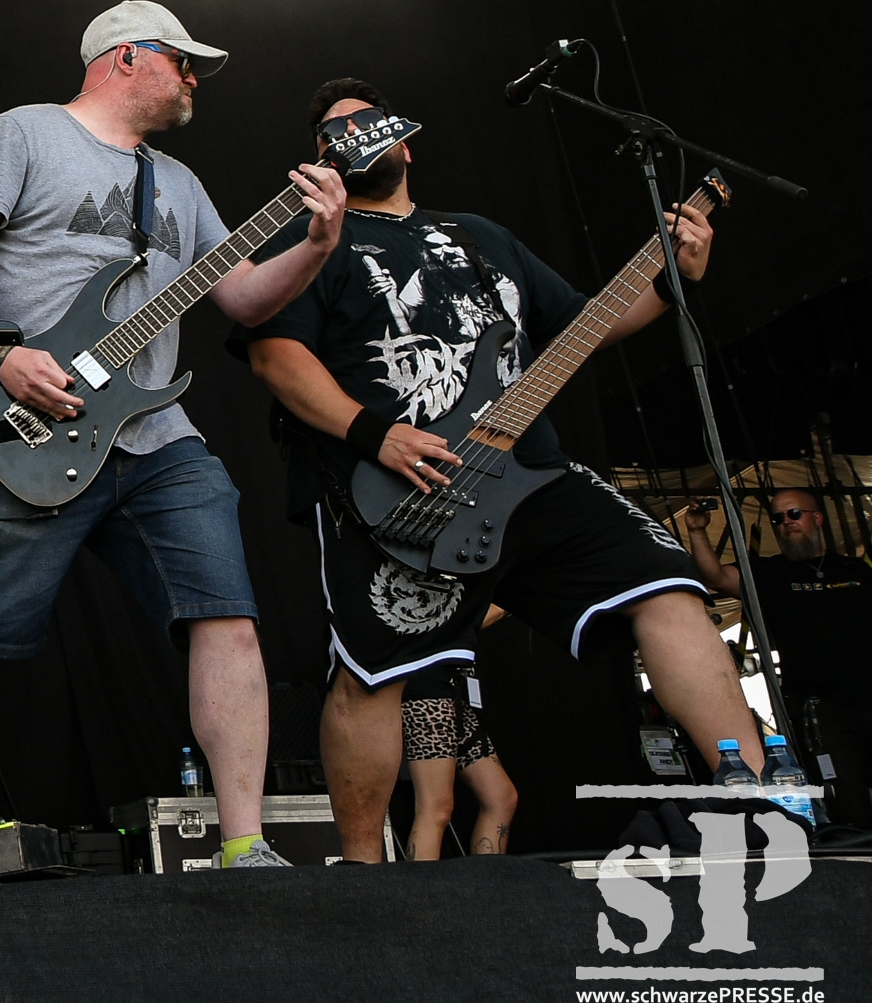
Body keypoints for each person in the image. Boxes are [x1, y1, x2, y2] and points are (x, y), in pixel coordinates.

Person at [239, 76, 772, 861]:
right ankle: (362, 878)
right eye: (332, 134)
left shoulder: (482, 235)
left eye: (367, 121)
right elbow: (275, 357)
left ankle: (754, 802)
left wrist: (671, 280)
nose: (351, 137)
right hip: (403, 489)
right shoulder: (314, 241)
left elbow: (585, 322)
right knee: (373, 672)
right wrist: (377, 435)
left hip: (530, 471)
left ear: (405, 140)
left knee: (666, 582)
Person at [0, 0, 348, 867]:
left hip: (156, 437)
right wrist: (1, 354)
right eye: (181, 60)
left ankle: (245, 844)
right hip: (29, 429)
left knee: (227, 614)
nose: (194, 78)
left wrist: (316, 243)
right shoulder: (25, 133)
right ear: (126, 56)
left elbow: (242, 299)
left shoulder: (181, 185)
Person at [674, 484, 872, 821]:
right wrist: (697, 531)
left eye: (794, 514)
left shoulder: (856, 570)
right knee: (846, 798)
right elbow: (715, 576)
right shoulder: (768, 572)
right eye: (778, 519)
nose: (786, 523)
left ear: (817, 518)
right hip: (822, 710)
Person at [402, 613, 515, 859]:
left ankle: (488, 881)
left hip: (453, 689)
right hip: (426, 692)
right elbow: (463, 618)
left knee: (501, 798)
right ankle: (419, 885)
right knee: (435, 808)